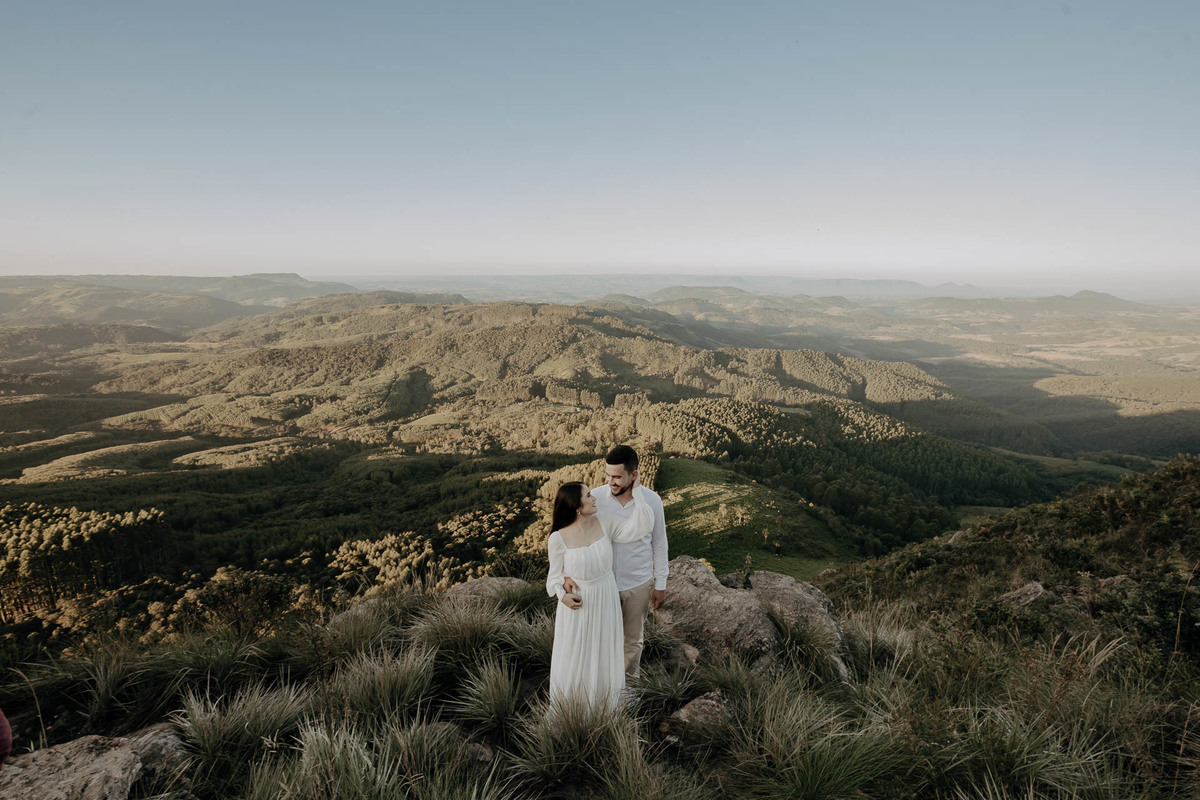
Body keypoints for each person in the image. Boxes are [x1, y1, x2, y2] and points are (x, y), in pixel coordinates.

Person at [546, 480, 654, 710]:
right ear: (577, 506)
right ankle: (573, 710)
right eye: (588, 496)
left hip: (606, 598)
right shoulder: (558, 538)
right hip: (579, 605)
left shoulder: (604, 521)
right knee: (577, 655)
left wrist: (638, 495)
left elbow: (638, 528)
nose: (595, 498)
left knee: (604, 651)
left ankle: (604, 704)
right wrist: (561, 594)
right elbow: (553, 577)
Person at [584, 445, 668, 680]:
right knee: (600, 639)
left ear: (634, 475)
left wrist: (660, 583)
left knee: (632, 641)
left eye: (617, 477)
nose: (611, 481)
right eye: (608, 475)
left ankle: (627, 689)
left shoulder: (652, 501)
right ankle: (602, 686)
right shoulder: (596, 497)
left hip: (638, 584)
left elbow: (660, 544)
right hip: (602, 584)